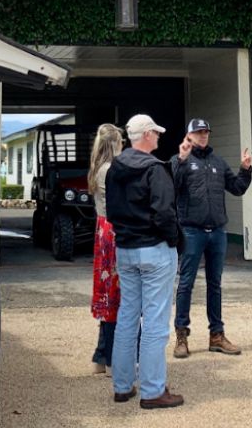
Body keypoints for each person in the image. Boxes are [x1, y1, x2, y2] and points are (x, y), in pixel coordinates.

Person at [106, 114, 184, 409]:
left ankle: (123, 386)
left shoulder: (116, 168)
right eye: (156, 132)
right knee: (155, 322)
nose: (159, 137)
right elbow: (165, 212)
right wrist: (174, 240)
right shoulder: (155, 169)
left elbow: (110, 210)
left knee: (127, 316)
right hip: (154, 248)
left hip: (125, 248)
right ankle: (153, 390)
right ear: (148, 135)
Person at [169, 118, 252, 358]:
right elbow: (172, 186)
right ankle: (182, 335)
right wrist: (183, 160)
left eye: (206, 131)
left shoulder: (218, 162)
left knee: (215, 284)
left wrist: (245, 170)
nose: (203, 135)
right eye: (198, 132)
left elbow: (237, 188)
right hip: (191, 231)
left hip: (217, 231)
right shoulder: (180, 161)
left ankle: (216, 335)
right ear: (189, 136)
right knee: (186, 283)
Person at [88, 123, 124, 375]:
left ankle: (101, 356)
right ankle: (111, 357)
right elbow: (117, 205)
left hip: (103, 231)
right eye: (121, 142)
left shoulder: (97, 169)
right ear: (114, 144)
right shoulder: (110, 170)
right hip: (114, 233)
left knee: (108, 294)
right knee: (116, 296)